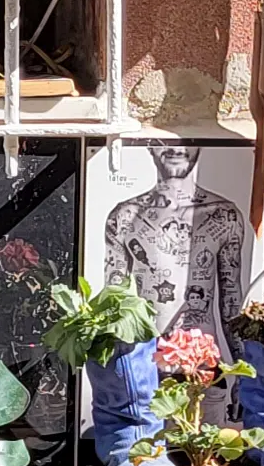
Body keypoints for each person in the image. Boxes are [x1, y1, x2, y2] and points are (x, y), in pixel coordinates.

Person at [103, 138, 248, 355]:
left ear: (200, 144)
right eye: (163, 140)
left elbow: (231, 302)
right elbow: (113, 300)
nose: (176, 148)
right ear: (150, 145)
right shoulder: (125, 216)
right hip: (146, 363)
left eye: (188, 139)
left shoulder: (223, 215)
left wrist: (241, 369)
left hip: (201, 362)